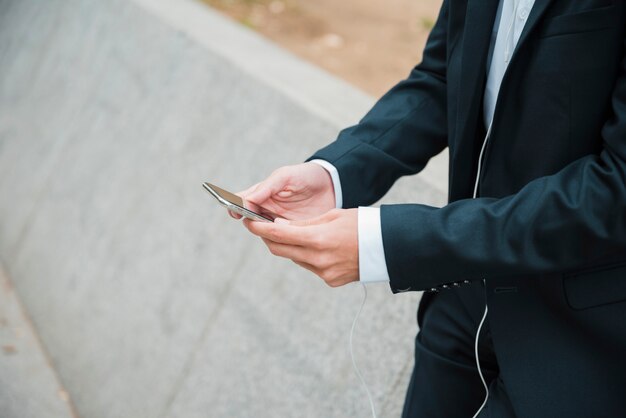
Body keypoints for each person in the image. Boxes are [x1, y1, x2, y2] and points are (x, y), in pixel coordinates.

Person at [231, 0, 626, 416]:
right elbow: (442, 76)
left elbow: (616, 190)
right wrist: (336, 173)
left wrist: (387, 244)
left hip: (579, 340)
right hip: (460, 305)